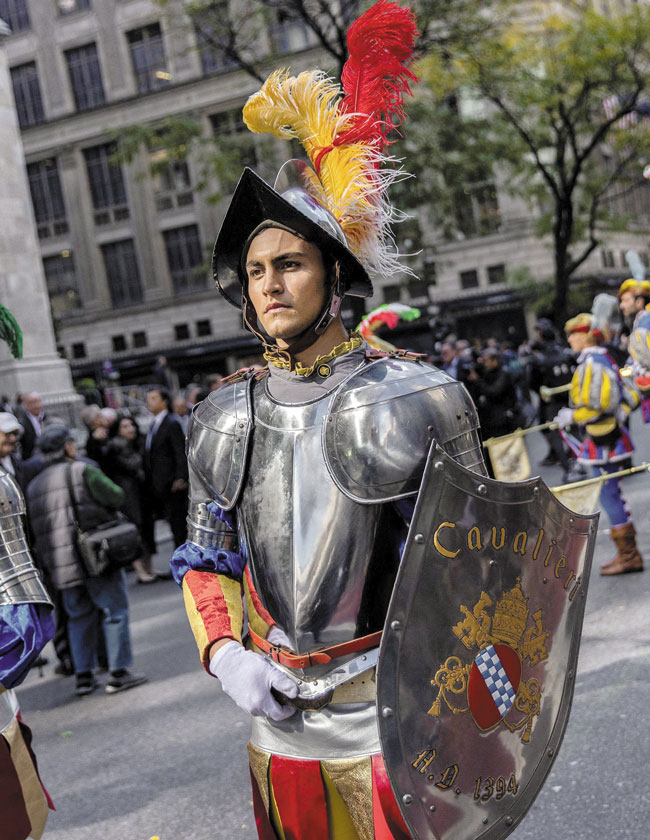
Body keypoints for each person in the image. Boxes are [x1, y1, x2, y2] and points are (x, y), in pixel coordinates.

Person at [170, 9, 487, 835]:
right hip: (277, 731)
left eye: (290, 263)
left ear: (333, 276)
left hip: (400, 717)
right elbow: (207, 561)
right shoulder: (218, 417)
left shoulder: (420, 395)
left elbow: (481, 571)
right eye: (256, 271)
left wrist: (477, 706)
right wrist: (226, 654)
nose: (269, 284)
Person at [26, 424, 148, 695]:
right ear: (68, 446)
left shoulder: (34, 485)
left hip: (60, 565)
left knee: (78, 616)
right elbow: (115, 495)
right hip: (94, 556)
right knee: (114, 611)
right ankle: (118, 673)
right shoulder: (82, 470)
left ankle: (84, 676)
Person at [555, 314, 642, 576]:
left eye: (574, 333)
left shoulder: (592, 362)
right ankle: (627, 553)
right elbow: (629, 396)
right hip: (607, 437)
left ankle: (629, 555)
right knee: (610, 493)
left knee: (608, 494)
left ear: (588, 335)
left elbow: (599, 406)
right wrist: (620, 415)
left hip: (603, 441)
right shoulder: (602, 358)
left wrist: (573, 416)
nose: (570, 339)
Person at [104, 416, 158, 584]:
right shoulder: (116, 448)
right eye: (125, 426)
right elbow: (131, 466)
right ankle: (140, 570)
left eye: (131, 425)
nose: (130, 429)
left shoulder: (140, 443)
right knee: (136, 530)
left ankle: (148, 568)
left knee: (148, 529)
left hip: (143, 493)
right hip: (129, 496)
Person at [143, 387, 188, 550]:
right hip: (160, 484)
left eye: (154, 398)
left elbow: (179, 451)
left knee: (179, 525)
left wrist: (181, 477)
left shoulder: (171, 422)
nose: (149, 401)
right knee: (173, 523)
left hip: (173, 484)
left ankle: (185, 563)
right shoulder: (154, 424)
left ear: (164, 402)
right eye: (148, 398)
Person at [15, 391, 45, 460]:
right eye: (31, 403)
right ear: (25, 405)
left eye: (37, 401)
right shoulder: (22, 423)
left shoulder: (49, 418)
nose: (35, 405)